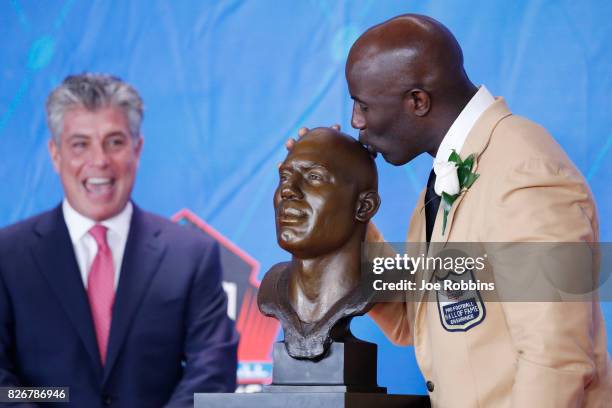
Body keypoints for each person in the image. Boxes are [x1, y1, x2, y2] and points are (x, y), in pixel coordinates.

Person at [294, 13, 612, 407]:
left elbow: (556, 362)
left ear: (418, 101)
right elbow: (415, 320)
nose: (356, 121)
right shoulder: (447, 177)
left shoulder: (525, 173)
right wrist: (342, 210)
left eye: (363, 104)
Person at [0, 74, 238, 407]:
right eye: (80, 144)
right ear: (55, 155)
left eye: (114, 142)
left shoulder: (191, 256)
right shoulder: (8, 257)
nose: (99, 160)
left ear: (137, 149)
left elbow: (211, 373)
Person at [259, 128, 380, 359]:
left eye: (314, 177)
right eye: (284, 176)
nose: (287, 190)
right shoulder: (271, 287)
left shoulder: (387, 279)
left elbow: (411, 319)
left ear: (364, 207)